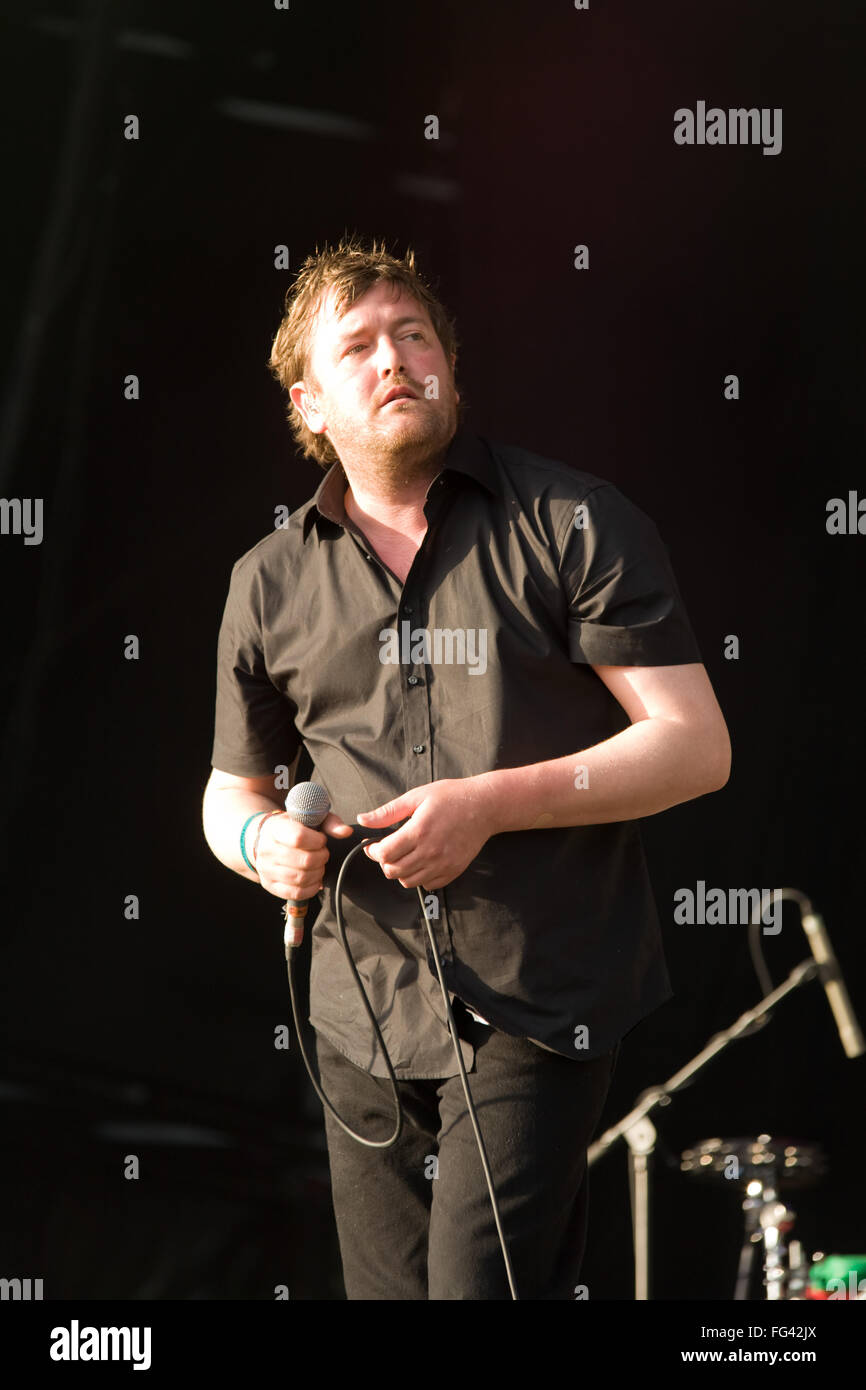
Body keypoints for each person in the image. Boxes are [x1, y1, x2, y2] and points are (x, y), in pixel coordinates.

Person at [201, 235, 731, 1300]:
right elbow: (229, 792)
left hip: (539, 993)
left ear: (451, 369)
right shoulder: (264, 581)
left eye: (414, 336)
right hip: (360, 1012)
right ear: (307, 403)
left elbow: (692, 745)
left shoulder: (570, 522)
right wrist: (266, 845)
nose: (395, 358)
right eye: (359, 345)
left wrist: (485, 805)